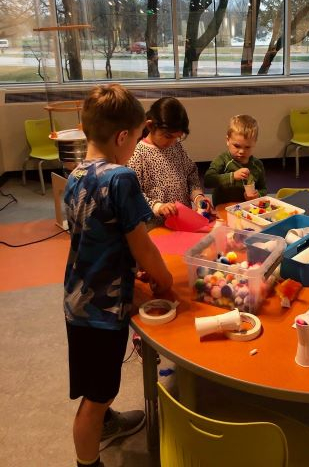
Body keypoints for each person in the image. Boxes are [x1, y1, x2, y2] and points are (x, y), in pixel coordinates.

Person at [63, 84, 173, 467]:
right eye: (136, 138)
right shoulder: (121, 178)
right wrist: (165, 282)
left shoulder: (75, 174)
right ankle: (87, 462)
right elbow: (143, 246)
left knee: (95, 385)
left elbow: (98, 236)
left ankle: (107, 422)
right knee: (97, 397)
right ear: (123, 136)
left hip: (77, 298)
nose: (136, 147)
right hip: (101, 309)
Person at [127, 96, 208, 224]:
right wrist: (159, 207)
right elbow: (134, 194)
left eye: (177, 137)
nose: (172, 142)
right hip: (156, 226)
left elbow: (191, 175)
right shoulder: (138, 155)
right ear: (150, 126)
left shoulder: (176, 147)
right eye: (168, 136)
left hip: (182, 221)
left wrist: (198, 197)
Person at [204, 114, 267, 206]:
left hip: (247, 210)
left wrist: (257, 195)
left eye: (247, 147)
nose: (242, 151)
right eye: (237, 146)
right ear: (227, 140)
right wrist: (232, 176)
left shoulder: (257, 165)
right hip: (223, 209)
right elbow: (208, 180)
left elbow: (263, 188)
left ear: (254, 143)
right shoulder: (223, 160)